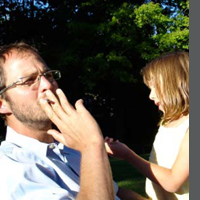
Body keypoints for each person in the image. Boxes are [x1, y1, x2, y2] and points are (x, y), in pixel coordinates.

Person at [0, 42, 142, 200]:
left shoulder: (70, 147)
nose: (47, 85)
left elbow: (116, 193)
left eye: (48, 75)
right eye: (28, 80)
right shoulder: (9, 168)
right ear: (2, 104)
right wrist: (92, 145)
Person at [105, 51, 189, 200]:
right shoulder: (167, 122)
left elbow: (173, 182)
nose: (151, 95)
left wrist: (127, 155)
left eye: (155, 87)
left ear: (175, 84)